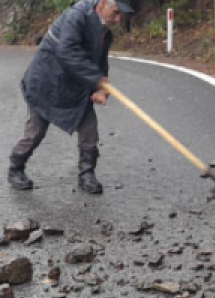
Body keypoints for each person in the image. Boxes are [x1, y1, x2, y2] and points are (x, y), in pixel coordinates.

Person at [8, 0, 133, 195]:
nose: (117, 19)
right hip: (47, 81)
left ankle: (87, 174)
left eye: (120, 15)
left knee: (89, 129)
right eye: (115, 12)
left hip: (76, 86)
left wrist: (100, 88)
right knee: (35, 132)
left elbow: (100, 61)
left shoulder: (104, 32)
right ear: (102, 3)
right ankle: (15, 168)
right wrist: (97, 79)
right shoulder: (76, 17)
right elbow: (67, 52)